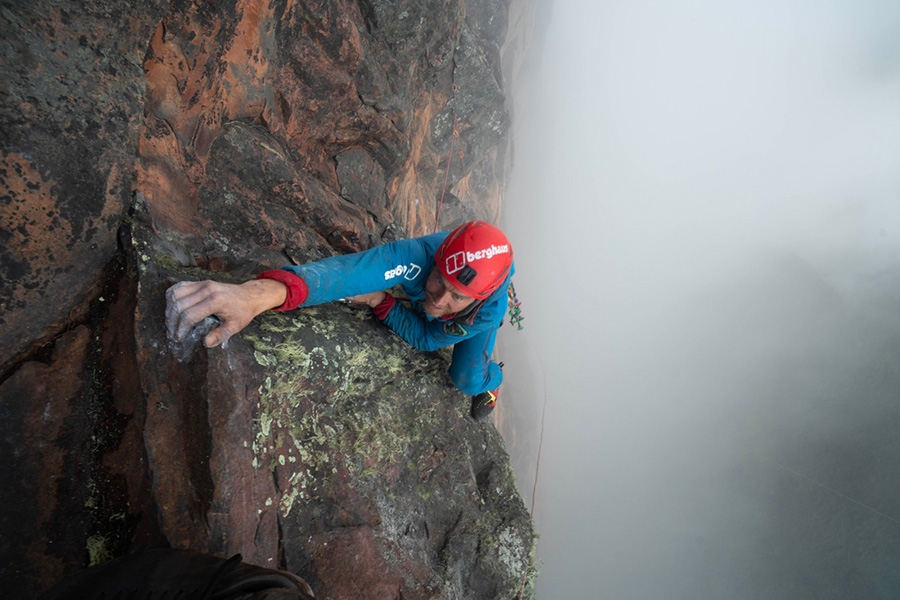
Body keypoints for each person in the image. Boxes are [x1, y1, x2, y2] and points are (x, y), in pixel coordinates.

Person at [166, 220, 515, 419]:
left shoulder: (484, 310)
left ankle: (494, 380)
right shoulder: (419, 256)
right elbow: (346, 274)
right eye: (439, 279)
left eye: (457, 296)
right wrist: (253, 295)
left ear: (477, 299)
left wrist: (384, 303)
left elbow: (426, 338)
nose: (439, 299)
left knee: (467, 379)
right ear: (436, 261)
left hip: (479, 323)